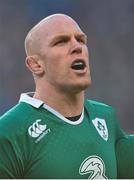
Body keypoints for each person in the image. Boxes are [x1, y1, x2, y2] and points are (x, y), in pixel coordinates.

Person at [0, 13, 134, 179]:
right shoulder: (9, 133)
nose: (77, 46)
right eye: (61, 41)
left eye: (81, 40)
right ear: (35, 64)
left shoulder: (105, 117)